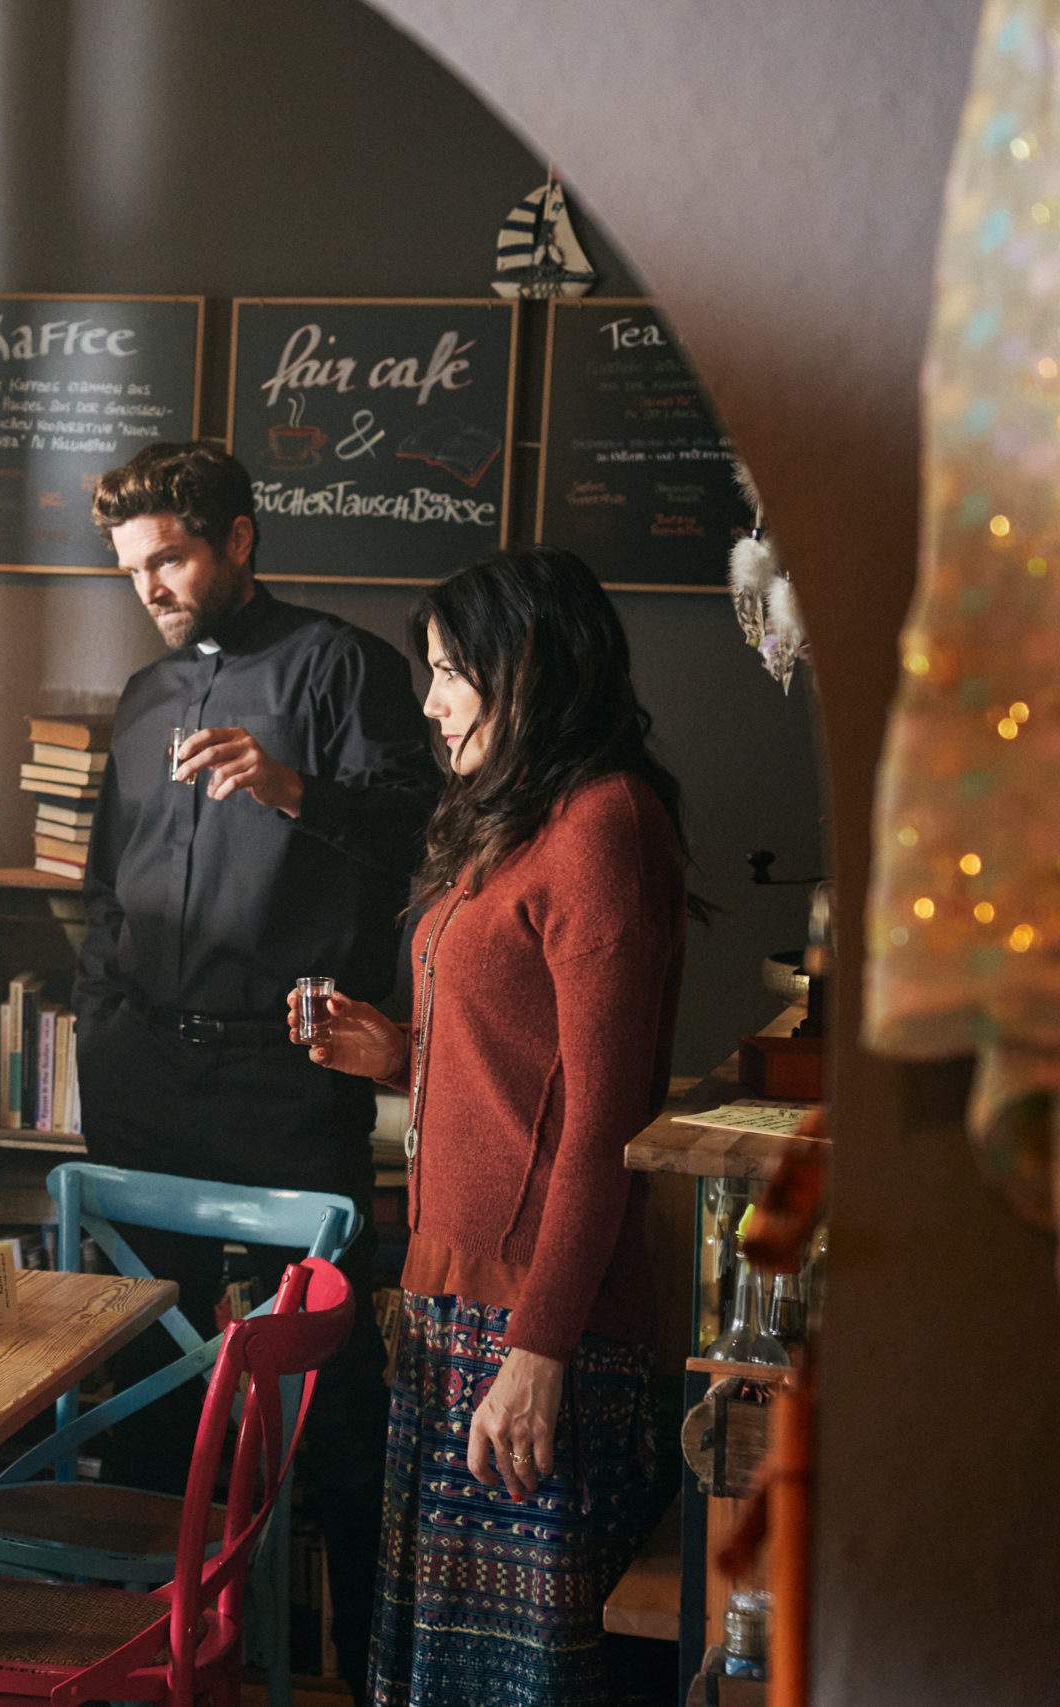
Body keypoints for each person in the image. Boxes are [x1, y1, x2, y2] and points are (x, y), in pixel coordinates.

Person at [74, 440, 442, 1699]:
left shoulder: (343, 667)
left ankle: (360, 1666)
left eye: (169, 556)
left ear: (239, 538)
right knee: (140, 1374)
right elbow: (100, 889)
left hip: (288, 1080)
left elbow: (433, 839)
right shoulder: (139, 697)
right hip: (144, 1078)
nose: (152, 585)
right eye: (132, 567)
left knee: (332, 1387)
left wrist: (294, 791)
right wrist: (100, 1021)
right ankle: (144, 1657)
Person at [304, 547, 684, 1706]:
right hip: (453, 1302)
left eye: (448, 673)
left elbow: (599, 1128)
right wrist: (399, 1057)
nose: (428, 703)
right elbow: (522, 1075)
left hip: (533, 1318)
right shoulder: (522, 817)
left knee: (511, 1682)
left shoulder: (603, 823)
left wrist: (538, 1351)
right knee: (439, 1671)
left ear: (525, 668)